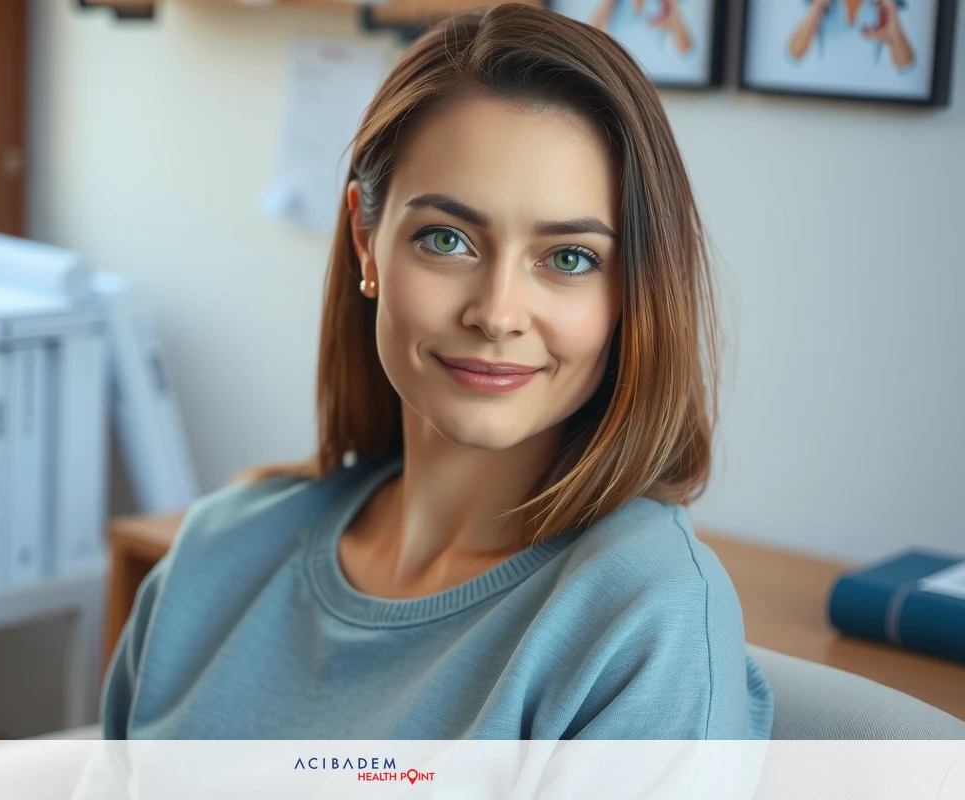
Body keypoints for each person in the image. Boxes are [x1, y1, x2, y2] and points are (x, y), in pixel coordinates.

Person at [101, 3, 774, 741]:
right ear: (367, 239)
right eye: (447, 239)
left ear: (633, 292)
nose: (497, 312)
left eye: (570, 258)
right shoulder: (217, 551)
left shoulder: (648, 619)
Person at [787, 0, 915, 70]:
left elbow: (905, 66)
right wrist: (817, 7)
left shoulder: (885, 5)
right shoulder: (819, 3)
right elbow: (794, 54)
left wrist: (890, 9)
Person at [589, 0, 694, 55]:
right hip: (619, 73)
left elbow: (685, 48)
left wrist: (671, 6)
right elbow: (590, 38)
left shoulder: (664, 5)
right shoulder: (616, 4)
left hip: (653, 78)